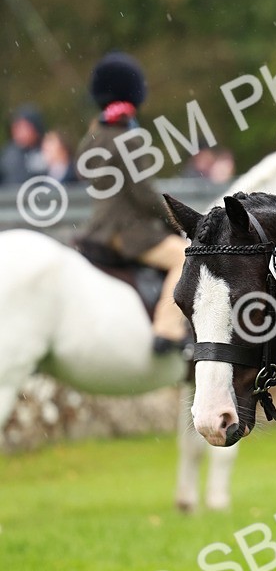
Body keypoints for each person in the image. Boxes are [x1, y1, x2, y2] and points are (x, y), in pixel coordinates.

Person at [76, 52, 188, 352]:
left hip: (97, 228)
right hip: (128, 232)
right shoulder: (129, 137)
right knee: (185, 255)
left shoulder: (95, 133)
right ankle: (167, 329)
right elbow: (144, 196)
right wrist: (176, 220)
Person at [0, 104, 48, 184]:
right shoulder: (8, 153)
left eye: (23, 127)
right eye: (16, 127)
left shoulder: (48, 150)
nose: (18, 131)